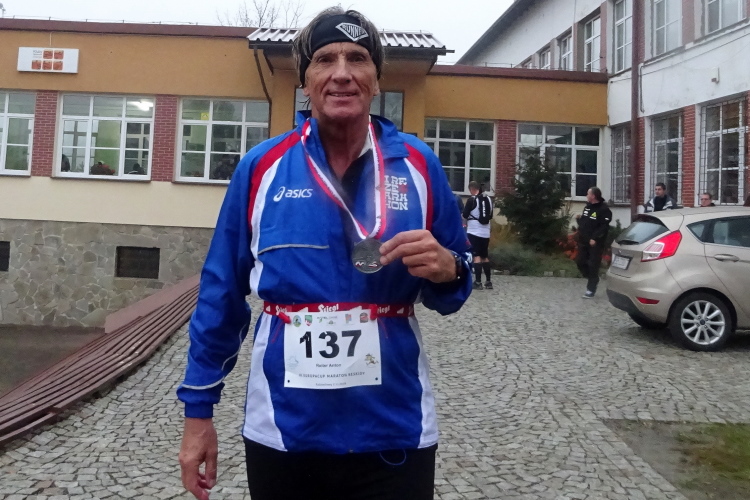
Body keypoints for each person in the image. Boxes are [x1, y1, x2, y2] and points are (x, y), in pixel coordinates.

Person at [176, 7, 472, 500]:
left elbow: (454, 284)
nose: (341, 73)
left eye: (357, 58)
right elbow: (221, 293)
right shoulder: (262, 168)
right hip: (285, 427)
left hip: (393, 425)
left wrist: (449, 271)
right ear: (305, 80)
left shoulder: (418, 165)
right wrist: (198, 414)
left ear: (376, 78)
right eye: (325, 59)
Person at [576, 187, 612, 299]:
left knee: (593, 264)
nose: (586, 196)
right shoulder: (587, 207)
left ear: (593, 196)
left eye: (588, 194)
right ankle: (593, 278)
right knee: (580, 262)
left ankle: (591, 289)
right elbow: (585, 223)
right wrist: (579, 220)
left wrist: (595, 238)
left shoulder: (604, 209)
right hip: (583, 240)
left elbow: (604, 227)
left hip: (595, 243)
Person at [462, 180, 493, 290]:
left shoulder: (472, 200)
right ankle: (488, 282)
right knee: (485, 256)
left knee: (476, 256)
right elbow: (490, 215)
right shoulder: (489, 199)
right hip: (486, 232)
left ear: (472, 189)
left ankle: (478, 282)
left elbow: (465, 215)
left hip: (474, 231)